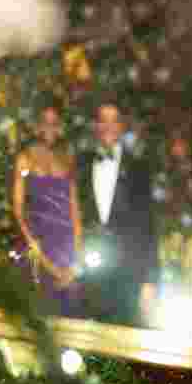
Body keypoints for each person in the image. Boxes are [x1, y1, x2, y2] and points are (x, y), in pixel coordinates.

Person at [75, 99, 158, 325]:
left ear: (122, 126)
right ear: (96, 125)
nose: (108, 126)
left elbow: (148, 227)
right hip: (88, 276)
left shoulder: (139, 168)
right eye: (103, 120)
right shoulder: (81, 165)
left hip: (127, 277)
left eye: (114, 120)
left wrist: (150, 280)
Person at [12, 104, 82, 316]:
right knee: (38, 313)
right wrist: (41, 256)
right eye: (45, 122)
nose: (49, 128)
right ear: (37, 126)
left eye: (54, 123)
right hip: (37, 245)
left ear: (60, 127)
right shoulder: (25, 159)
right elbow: (18, 210)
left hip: (66, 249)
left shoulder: (68, 160)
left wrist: (75, 261)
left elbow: (75, 212)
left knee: (68, 315)